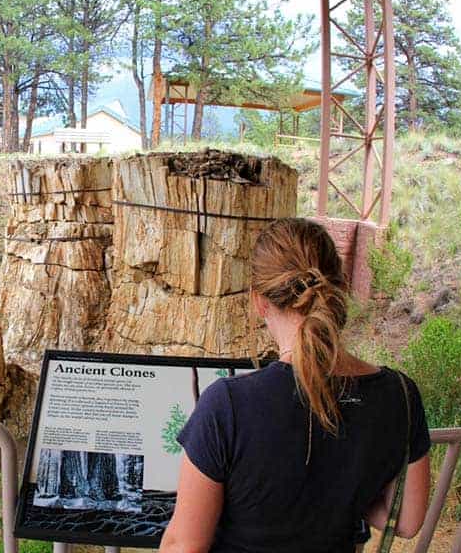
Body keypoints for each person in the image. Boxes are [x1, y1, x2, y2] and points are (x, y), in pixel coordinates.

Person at [159, 218, 431, 553]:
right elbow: (407, 520)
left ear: (259, 301)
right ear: (339, 289)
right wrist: (346, 491)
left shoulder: (228, 406)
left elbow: (184, 545)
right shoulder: (400, 396)